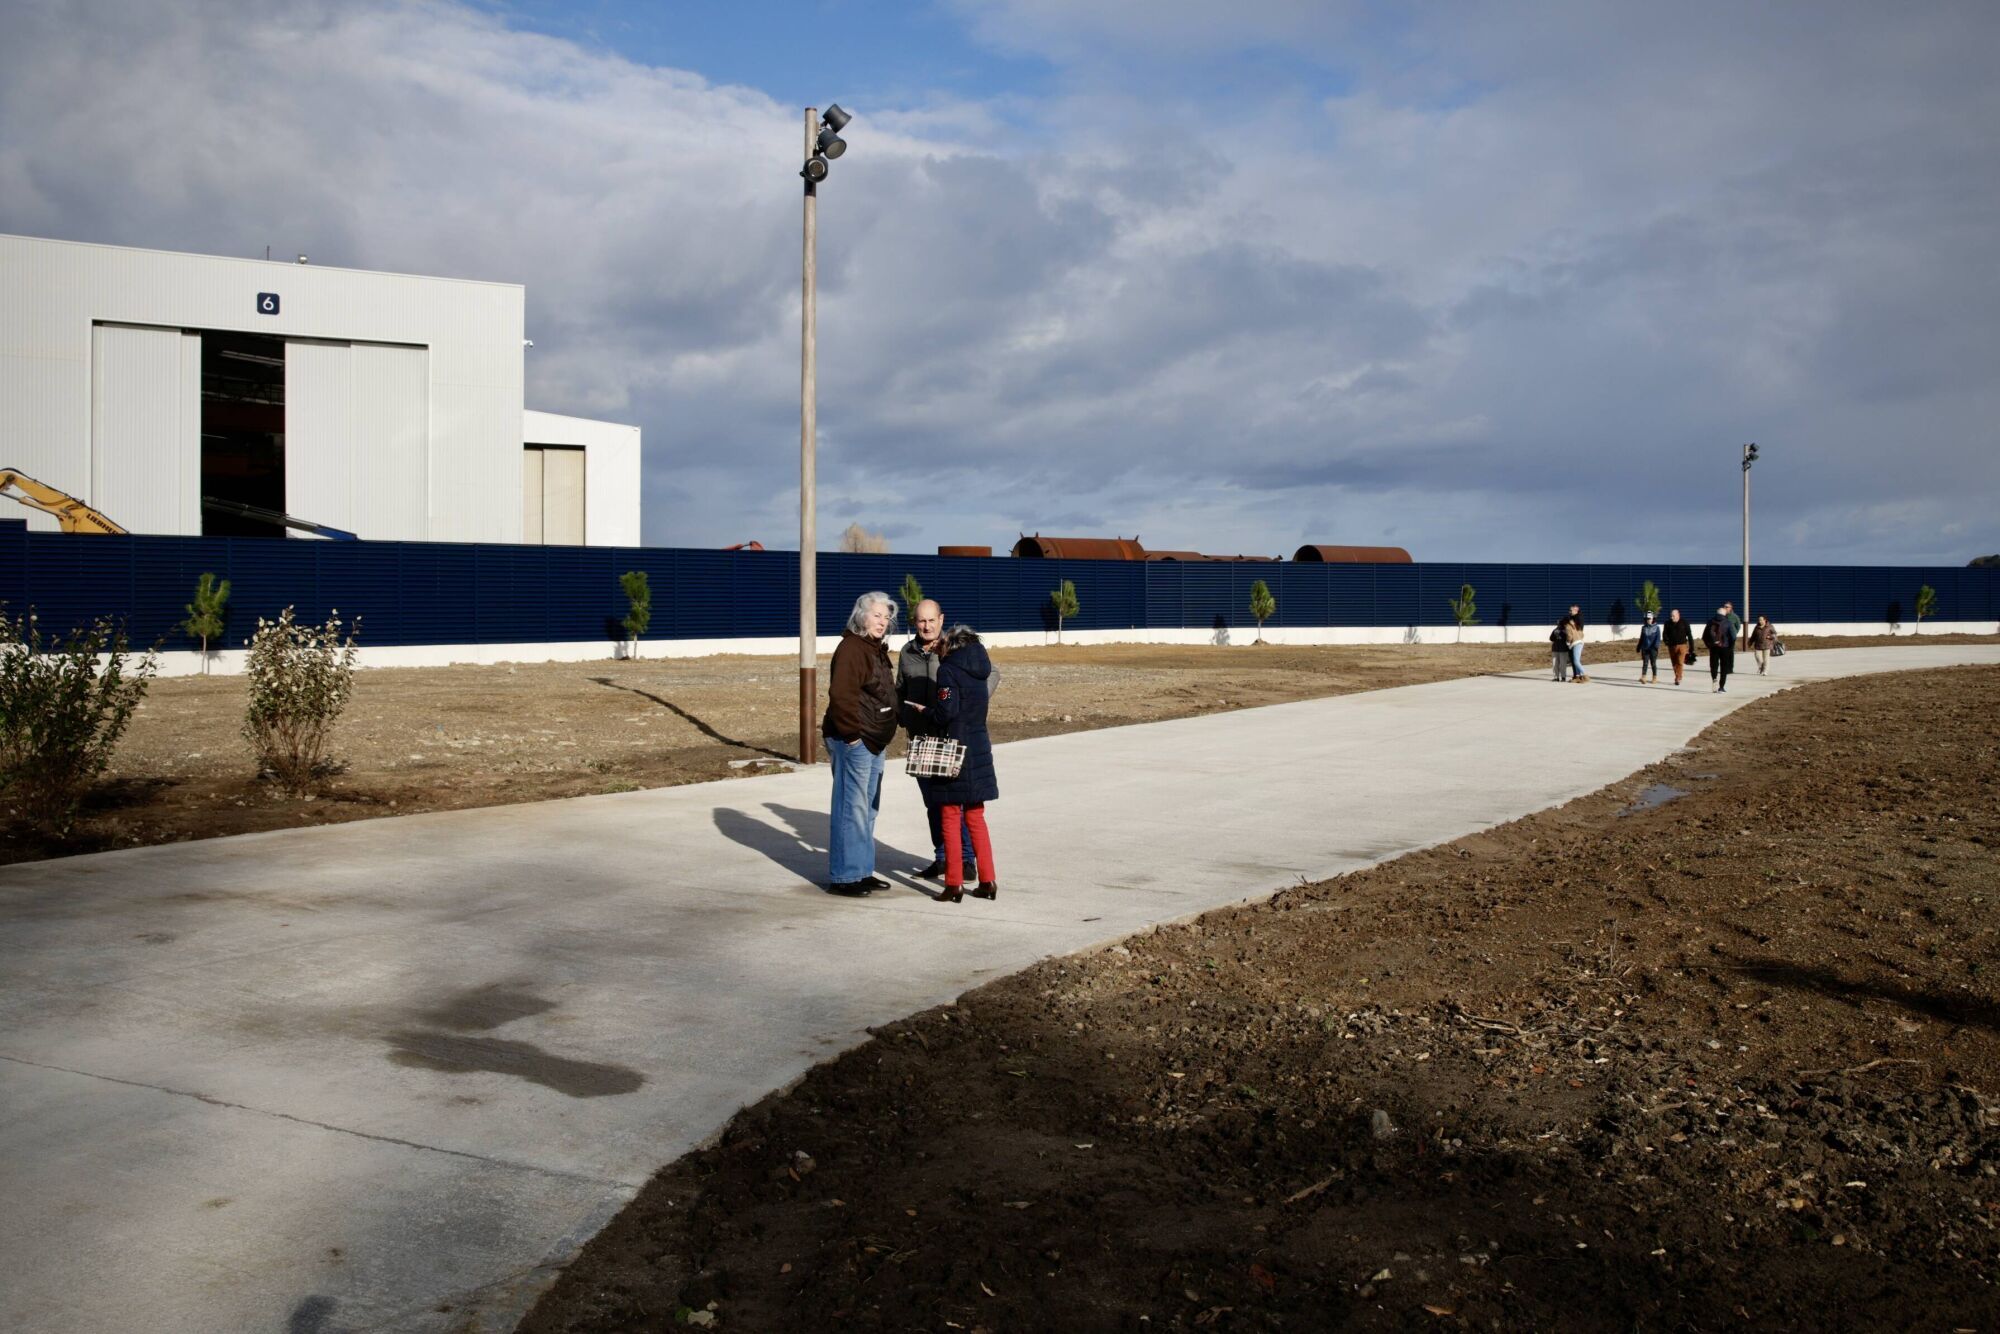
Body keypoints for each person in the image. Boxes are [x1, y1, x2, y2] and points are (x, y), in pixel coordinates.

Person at [822, 591, 899, 895]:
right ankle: (844, 876)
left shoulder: (874, 648)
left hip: (874, 741)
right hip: (855, 740)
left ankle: (861, 870)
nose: (882, 621)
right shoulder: (852, 648)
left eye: (886, 617)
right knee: (851, 808)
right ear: (861, 616)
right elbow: (841, 697)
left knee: (867, 809)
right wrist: (853, 738)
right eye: (877, 615)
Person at [897, 598, 977, 879]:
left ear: (941, 620)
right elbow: (900, 689)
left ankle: (966, 859)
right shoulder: (907, 652)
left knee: (956, 801)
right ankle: (942, 857)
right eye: (921, 621)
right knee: (932, 803)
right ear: (914, 622)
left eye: (931, 620)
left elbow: (988, 676)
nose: (927, 626)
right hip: (921, 738)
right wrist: (902, 718)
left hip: (951, 737)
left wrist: (969, 706)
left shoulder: (956, 648)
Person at [929, 625, 1000, 903]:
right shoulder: (981, 669)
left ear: (951, 644)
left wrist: (929, 713)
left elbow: (947, 711)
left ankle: (954, 884)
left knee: (949, 813)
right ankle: (988, 880)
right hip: (979, 746)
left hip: (954, 749)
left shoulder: (947, 670)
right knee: (976, 816)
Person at [1702, 604, 1735, 693]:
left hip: (1713, 647)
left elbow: (1704, 636)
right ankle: (1721, 687)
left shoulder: (1710, 622)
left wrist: (1709, 645)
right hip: (1724, 647)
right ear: (1725, 614)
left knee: (1714, 666)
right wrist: (1730, 648)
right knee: (1724, 667)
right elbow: (1733, 637)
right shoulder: (1728, 622)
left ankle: (1714, 679)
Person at [1662, 608, 1693, 685]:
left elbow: (1689, 635)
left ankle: (1678, 678)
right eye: (1671, 616)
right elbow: (1664, 634)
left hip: (1682, 645)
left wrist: (1691, 647)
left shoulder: (1684, 622)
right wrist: (1666, 642)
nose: (1671, 617)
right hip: (1671, 646)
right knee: (1674, 663)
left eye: (1673, 616)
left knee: (1680, 662)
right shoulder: (1667, 623)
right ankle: (1678, 676)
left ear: (1678, 615)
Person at [1563, 606, 1589, 682]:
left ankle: (1584, 675)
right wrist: (1579, 638)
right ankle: (1577, 676)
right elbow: (1581, 633)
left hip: (1575, 643)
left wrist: (1567, 642)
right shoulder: (1575, 623)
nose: (1569, 612)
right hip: (1579, 642)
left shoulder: (1568, 626)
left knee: (1576, 661)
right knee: (1576, 660)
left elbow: (1569, 636)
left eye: (1571, 610)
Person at [1636, 611, 1663, 683]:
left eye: (1650, 619)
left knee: (1653, 663)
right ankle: (1643, 677)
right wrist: (1639, 647)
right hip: (1645, 648)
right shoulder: (1644, 628)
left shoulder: (1657, 628)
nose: (1648, 620)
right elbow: (1641, 638)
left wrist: (1656, 646)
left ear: (1653, 619)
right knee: (1645, 663)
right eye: (1647, 619)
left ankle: (1654, 677)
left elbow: (1658, 638)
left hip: (1653, 649)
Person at [1548, 614, 1572, 681]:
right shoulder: (1566, 630)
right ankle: (1563, 677)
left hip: (1555, 648)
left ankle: (1556, 677)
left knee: (1555, 664)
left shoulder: (1555, 630)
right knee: (1563, 664)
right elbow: (1568, 639)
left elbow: (1551, 638)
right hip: (1563, 649)